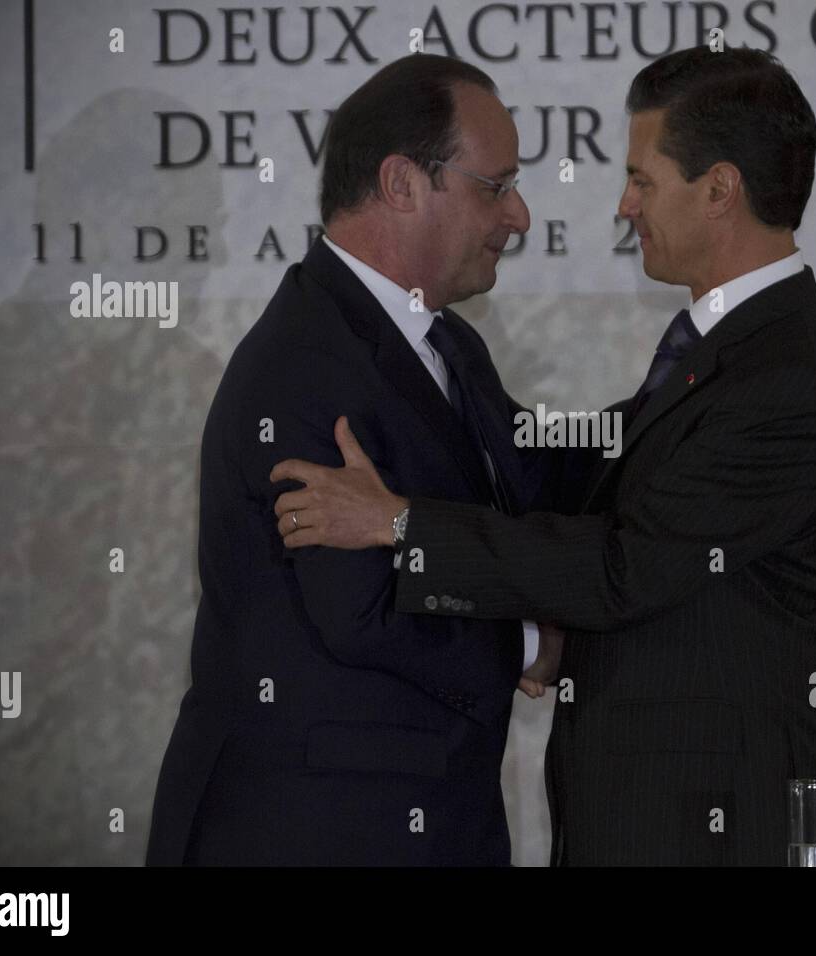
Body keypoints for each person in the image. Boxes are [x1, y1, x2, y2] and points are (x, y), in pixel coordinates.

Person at [270, 47, 816, 865]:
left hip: (711, 828)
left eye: (643, 179)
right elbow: (595, 466)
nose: (625, 206)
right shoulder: (745, 350)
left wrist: (401, 525)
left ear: (720, 189)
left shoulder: (787, 376)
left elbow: (625, 567)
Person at [147, 54, 553, 865]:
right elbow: (364, 611)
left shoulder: (450, 346)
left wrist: (692, 411)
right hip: (315, 834)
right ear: (403, 183)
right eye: (494, 186)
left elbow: (538, 492)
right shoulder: (305, 362)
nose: (520, 214)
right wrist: (540, 638)